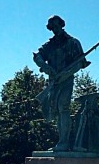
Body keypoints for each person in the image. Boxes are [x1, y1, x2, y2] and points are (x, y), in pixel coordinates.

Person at [33, 15, 90, 151]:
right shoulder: (49, 45)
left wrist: (66, 74)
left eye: (57, 26)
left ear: (62, 25)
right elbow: (37, 56)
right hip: (53, 81)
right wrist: (48, 69)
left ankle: (64, 142)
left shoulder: (73, 42)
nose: (55, 30)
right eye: (52, 28)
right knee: (57, 111)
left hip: (66, 80)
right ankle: (61, 142)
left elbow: (80, 63)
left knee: (63, 107)